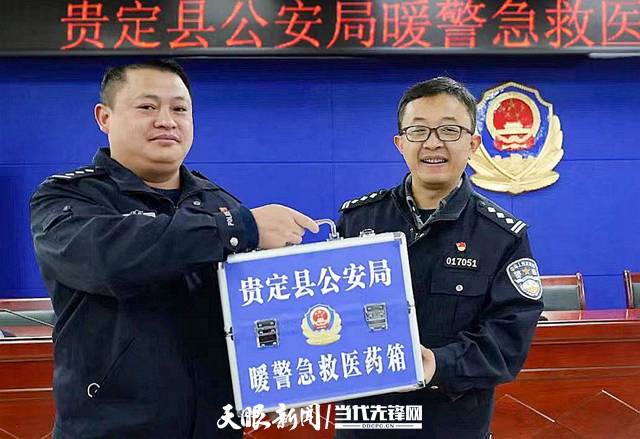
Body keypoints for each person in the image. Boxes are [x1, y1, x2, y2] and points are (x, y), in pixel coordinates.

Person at [29, 60, 319, 439]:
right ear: (105, 117)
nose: (166, 121)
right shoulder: (68, 197)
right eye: (147, 107)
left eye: (179, 109)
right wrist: (238, 229)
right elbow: (108, 260)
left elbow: (255, 309)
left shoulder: (220, 204)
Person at [335, 77, 544, 439]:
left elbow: (508, 340)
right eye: (418, 130)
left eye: (449, 130)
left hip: (450, 423)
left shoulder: (501, 236)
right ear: (401, 143)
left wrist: (438, 363)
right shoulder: (358, 220)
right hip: (367, 424)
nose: (433, 143)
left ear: (473, 143)